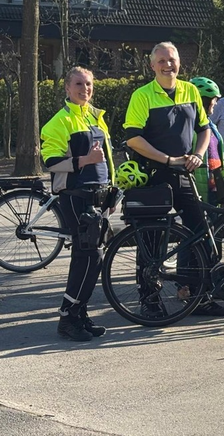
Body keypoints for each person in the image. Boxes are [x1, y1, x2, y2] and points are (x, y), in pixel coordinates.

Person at [124, 42, 224, 316]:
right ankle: (150, 300)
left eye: (171, 59)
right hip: (153, 176)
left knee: (199, 233)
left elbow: (204, 129)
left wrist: (197, 154)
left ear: (180, 62)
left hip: (184, 173)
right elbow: (134, 138)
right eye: (161, 60)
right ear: (152, 66)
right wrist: (167, 159)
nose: (167, 64)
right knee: (151, 241)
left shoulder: (190, 90)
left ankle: (198, 295)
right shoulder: (142, 95)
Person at [41, 67, 115, 341]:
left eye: (89, 84)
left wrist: (112, 193)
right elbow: (49, 161)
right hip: (74, 196)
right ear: (67, 89)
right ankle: (67, 318)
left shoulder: (97, 118)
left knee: (91, 258)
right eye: (79, 84)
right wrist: (84, 161)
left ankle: (79, 313)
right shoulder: (59, 122)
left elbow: (105, 159)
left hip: (97, 197)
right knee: (87, 257)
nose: (85, 88)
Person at [189, 77, 224, 205]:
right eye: (214, 99)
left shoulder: (209, 123)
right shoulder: (190, 127)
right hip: (200, 187)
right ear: (203, 101)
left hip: (214, 186)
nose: (216, 103)